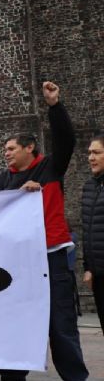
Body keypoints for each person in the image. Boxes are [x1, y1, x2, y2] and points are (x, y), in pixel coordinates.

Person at [0, 81, 95, 381]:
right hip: (17, 262)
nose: (6, 154)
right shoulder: (3, 181)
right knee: (14, 319)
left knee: (60, 323)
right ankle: (12, 380)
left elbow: (67, 141)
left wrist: (54, 106)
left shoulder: (50, 168)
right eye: (4, 150)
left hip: (52, 256)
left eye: (11, 149)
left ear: (30, 148)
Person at [81, 134, 104, 332]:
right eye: (89, 153)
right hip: (98, 275)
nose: (90, 157)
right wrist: (88, 267)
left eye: (96, 152)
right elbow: (87, 230)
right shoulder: (89, 187)